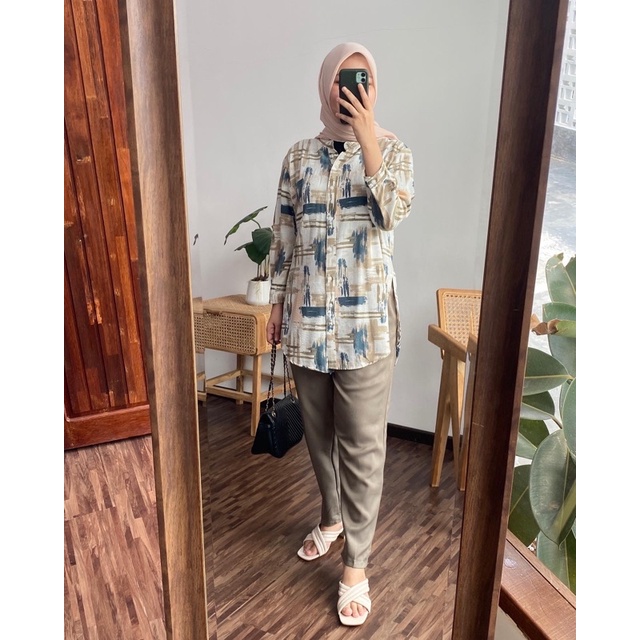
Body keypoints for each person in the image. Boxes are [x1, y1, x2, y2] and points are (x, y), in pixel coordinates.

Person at [266, 42, 414, 627]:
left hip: (367, 328)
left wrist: (369, 137)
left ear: (373, 88)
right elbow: (284, 235)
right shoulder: (298, 156)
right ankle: (331, 518)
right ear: (325, 83)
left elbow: (392, 212)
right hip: (305, 323)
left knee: (362, 445)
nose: (349, 88)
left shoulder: (394, 151)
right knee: (319, 435)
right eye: (341, 78)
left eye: (362, 78)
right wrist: (275, 305)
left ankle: (356, 563)